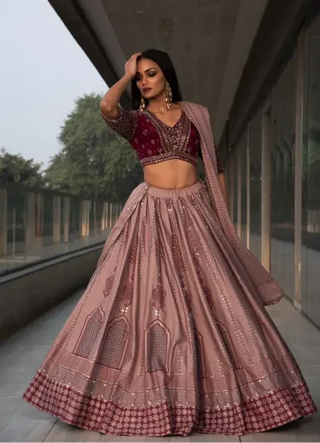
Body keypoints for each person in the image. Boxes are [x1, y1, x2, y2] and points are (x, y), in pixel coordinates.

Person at [22, 49, 317, 437]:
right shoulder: (136, 122)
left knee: (223, 300)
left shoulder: (197, 116)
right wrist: (125, 77)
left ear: (167, 76)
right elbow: (107, 106)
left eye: (151, 73)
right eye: (140, 76)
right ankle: (153, 392)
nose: (145, 81)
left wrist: (219, 217)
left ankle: (256, 392)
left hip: (195, 212)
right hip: (152, 216)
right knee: (151, 302)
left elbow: (216, 168)